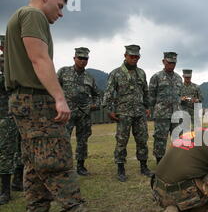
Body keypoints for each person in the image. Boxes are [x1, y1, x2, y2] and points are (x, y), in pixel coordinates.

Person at [4, 0, 117, 212]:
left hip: (23, 101)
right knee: (57, 161)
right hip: (36, 101)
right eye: (59, 6)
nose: (61, 13)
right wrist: (59, 97)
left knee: (34, 165)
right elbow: (39, 59)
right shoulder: (32, 15)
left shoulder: (16, 17)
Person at [103, 45, 152, 182]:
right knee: (121, 141)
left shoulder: (141, 73)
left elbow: (145, 92)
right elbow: (109, 92)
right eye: (131, 56)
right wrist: (109, 109)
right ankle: (120, 169)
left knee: (142, 140)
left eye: (136, 57)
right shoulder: (116, 73)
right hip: (123, 113)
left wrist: (147, 106)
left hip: (139, 113)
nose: (134, 59)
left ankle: (144, 167)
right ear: (125, 56)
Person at [57, 47, 100, 176]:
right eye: (80, 58)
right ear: (74, 58)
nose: (82, 61)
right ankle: (63, 166)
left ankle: (81, 166)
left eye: (85, 58)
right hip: (67, 113)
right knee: (63, 140)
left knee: (82, 140)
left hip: (84, 115)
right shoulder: (63, 72)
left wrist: (94, 105)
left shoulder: (89, 77)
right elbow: (55, 88)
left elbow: (97, 94)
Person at [149, 52, 183, 164]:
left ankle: (176, 161)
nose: (172, 65)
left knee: (178, 138)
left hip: (176, 115)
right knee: (160, 139)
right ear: (163, 61)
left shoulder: (179, 78)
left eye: (174, 63)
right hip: (162, 115)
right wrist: (153, 111)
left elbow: (179, 96)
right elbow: (151, 97)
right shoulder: (156, 77)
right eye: (169, 62)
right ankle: (160, 163)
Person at [0, 53, 18, 205]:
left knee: (17, 151)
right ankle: (6, 189)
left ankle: (15, 184)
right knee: (6, 153)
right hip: (6, 118)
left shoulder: (15, 62)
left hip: (14, 116)